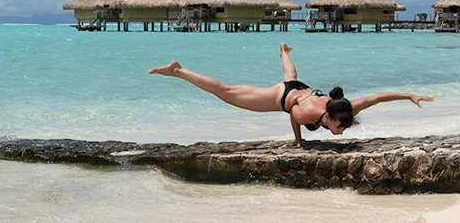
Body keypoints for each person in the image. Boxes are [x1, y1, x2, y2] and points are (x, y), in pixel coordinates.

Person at [148, 42, 434, 147]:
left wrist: (408, 95)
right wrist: (298, 142)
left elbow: (376, 98)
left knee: (291, 77)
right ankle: (179, 70)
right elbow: (295, 118)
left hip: (298, 87)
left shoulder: (345, 107)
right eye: (338, 127)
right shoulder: (311, 113)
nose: (341, 131)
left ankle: (284, 50)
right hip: (280, 98)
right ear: (329, 116)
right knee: (225, 92)